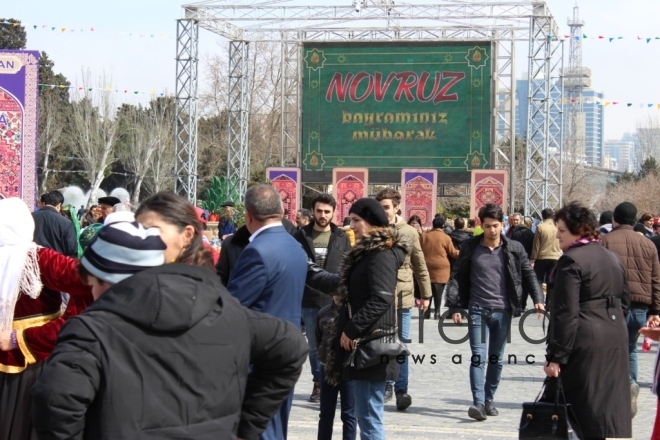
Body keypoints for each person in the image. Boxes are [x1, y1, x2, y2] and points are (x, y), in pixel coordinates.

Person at [31, 220, 308, 440]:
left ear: (106, 278)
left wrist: (247, 426)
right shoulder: (222, 309)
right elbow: (292, 345)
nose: (90, 292)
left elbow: (55, 402)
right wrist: (246, 427)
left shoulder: (89, 331)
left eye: (92, 282)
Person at [307, 198, 409, 439]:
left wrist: (352, 329)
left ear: (372, 223)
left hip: (372, 343)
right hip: (366, 343)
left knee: (369, 417)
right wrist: (306, 268)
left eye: (356, 221)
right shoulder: (367, 253)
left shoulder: (381, 254)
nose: (351, 226)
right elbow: (340, 284)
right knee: (366, 414)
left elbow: (381, 298)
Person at [0, 198, 92, 440]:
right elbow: (89, 281)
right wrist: (69, 321)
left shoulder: (37, 259)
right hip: (34, 359)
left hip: (28, 353)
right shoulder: (40, 258)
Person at [445, 203, 544, 421]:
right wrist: (454, 306)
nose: (492, 230)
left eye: (496, 226)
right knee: (478, 357)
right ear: (481, 225)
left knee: (496, 359)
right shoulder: (471, 247)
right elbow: (457, 276)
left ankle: (489, 399)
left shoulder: (514, 248)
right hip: (477, 309)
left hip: (503, 310)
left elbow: (528, 274)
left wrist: (538, 298)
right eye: (488, 226)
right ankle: (478, 403)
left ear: (502, 225)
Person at [544, 201, 632, 439]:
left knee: (583, 407)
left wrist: (556, 357)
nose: (557, 236)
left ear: (579, 229)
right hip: (614, 337)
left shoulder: (571, 260)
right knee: (608, 405)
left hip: (584, 342)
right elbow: (624, 303)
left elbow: (566, 312)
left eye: (562, 230)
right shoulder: (613, 258)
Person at [227, 184, 308, 440]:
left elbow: (234, 307)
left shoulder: (256, 251)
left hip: (258, 356)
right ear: (282, 210)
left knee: (257, 430)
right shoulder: (294, 246)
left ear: (248, 215)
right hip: (287, 352)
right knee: (276, 427)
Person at [601, 201, 660, 418]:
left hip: (613, 306)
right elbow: (655, 279)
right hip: (640, 309)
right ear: (635, 221)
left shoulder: (606, 241)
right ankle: (631, 385)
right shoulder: (648, 244)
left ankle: (617, 392)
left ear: (614, 220)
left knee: (610, 350)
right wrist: (655, 311)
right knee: (630, 349)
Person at [375, 188, 431, 410]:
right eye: (380, 207)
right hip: (379, 296)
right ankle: (386, 384)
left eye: (386, 207)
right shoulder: (374, 229)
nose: (383, 211)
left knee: (402, 344)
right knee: (383, 343)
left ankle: (401, 389)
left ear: (397, 207)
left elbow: (419, 263)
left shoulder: (409, 231)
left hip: (404, 295)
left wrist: (425, 294)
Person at [294, 194, 352, 403]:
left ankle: (333, 382)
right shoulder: (300, 235)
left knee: (335, 344)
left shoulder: (341, 237)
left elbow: (348, 267)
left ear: (333, 213)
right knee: (314, 347)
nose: (323, 215)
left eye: (327, 211)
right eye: (319, 211)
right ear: (313, 211)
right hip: (309, 300)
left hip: (335, 301)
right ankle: (318, 383)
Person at [315, 295, 357, 440]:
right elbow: (318, 338)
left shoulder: (354, 312)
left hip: (348, 368)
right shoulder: (323, 312)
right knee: (326, 413)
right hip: (327, 368)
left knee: (349, 414)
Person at [419, 216, 459, 319]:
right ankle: (437, 312)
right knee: (438, 292)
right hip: (441, 268)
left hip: (426, 266)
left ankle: (426, 312)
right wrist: (462, 252)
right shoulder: (445, 237)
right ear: (443, 226)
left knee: (427, 290)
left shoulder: (424, 236)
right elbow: (453, 253)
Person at [31, 190, 78, 258]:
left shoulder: (30, 217)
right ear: (59, 205)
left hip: (34, 261)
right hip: (56, 263)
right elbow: (71, 248)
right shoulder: (66, 223)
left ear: (44, 202)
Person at [530, 208, 561, 303]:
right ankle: (549, 302)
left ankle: (540, 301)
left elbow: (536, 245)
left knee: (538, 280)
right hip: (556, 257)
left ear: (542, 217)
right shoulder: (558, 227)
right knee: (551, 280)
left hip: (542, 257)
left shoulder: (540, 227)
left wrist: (532, 259)